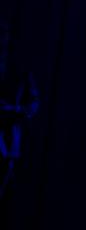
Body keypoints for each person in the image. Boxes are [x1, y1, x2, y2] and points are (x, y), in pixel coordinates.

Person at [0, 19, 39, 202]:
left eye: (4, 35)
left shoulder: (20, 68)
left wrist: (17, 111)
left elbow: (33, 101)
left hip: (7, 140)